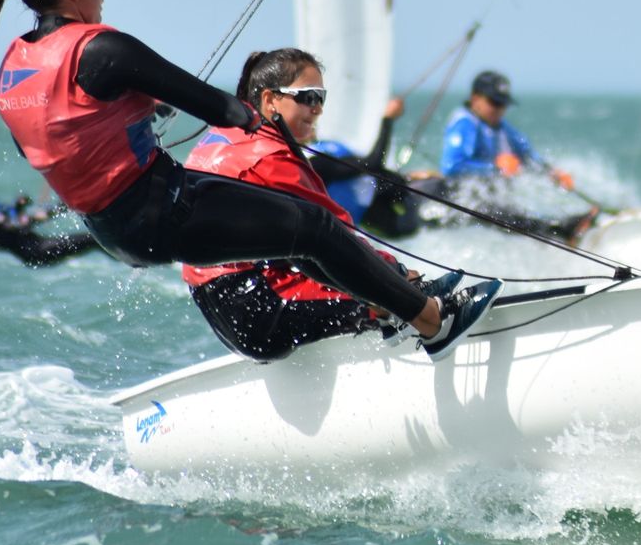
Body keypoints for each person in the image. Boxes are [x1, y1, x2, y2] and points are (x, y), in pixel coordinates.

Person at [0, 0, 498, 360]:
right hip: (161, 208)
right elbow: (219, 108)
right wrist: (246, 113)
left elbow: (46, 143)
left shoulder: (13, 65)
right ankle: (434, 321)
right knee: (314, 229)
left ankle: (395, 304)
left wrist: (131, 111)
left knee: (298, 237)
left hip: (110, 228)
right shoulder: (101, 48)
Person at [181, 49, 459, 360]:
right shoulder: (270, 157)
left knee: (357, 275)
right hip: (260, 309)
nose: (318, 109)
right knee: (373, 286)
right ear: (271, 99)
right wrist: (398, 275)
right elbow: (337, 240)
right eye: (308, 97)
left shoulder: (225, 135)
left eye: (321, 98)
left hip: (224, 304)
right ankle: (427, 323)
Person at [423, 70, 595, 241]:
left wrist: (551, 173)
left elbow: (527, 157)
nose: (499, 109)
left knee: (514, 207)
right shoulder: (464, 123)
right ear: (475, 98)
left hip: (490, 197)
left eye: (503, 104)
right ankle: (561, 230)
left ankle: (562, 229)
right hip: (463, 200)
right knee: (497, 211)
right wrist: (496, 168)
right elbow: (450, 167)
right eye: (494, 102)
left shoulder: (503, 127)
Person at [308, 96, 425, 238]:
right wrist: (388, 119)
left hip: (393, 194)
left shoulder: (324, 147)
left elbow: (366, 169)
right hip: (384, 216)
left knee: (435, 188)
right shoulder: (314, 162)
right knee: (431, 213)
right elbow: (372, 162)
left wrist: (407, 177)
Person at [0, 166, 99, 267]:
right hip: (36, 252)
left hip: (36, 245)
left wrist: (61, 207)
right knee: (95, 239)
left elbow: (17, 219)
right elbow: (14, 224)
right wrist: (22, 209)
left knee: (95, 238)